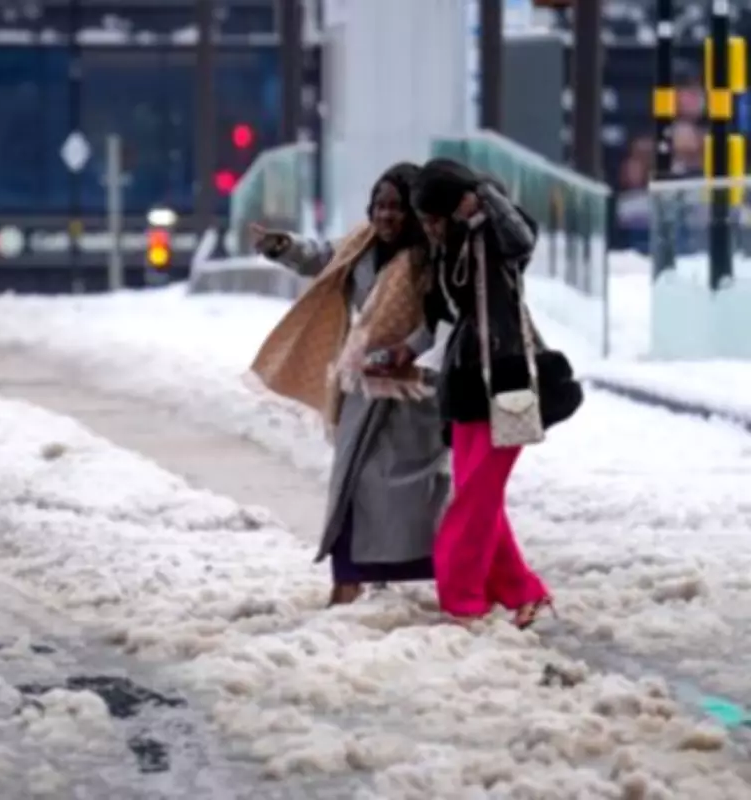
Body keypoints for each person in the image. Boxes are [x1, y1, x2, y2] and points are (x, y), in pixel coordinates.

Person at [248, 163, 448, 606]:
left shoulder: (432, 256)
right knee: (352, 486)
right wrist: (281, 246)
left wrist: (409, 350)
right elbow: (322, 257)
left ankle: (440, 574)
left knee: (413, 497)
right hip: (363, 388)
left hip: (414, 397)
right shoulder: (361, 245)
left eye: (397, 207)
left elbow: (444, 318)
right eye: (379, 205)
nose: (386, 216)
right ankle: (348, 580)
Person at [411, 158, 583, 629]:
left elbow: (523, 237)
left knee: (474, 501)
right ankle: (523, 592)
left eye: (433, 216)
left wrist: (483, 200)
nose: (428, 226)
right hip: (467, 382)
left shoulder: (490, 233)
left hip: (507, 379)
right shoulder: (446, 247)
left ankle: (462, 597)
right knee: (475, 493)